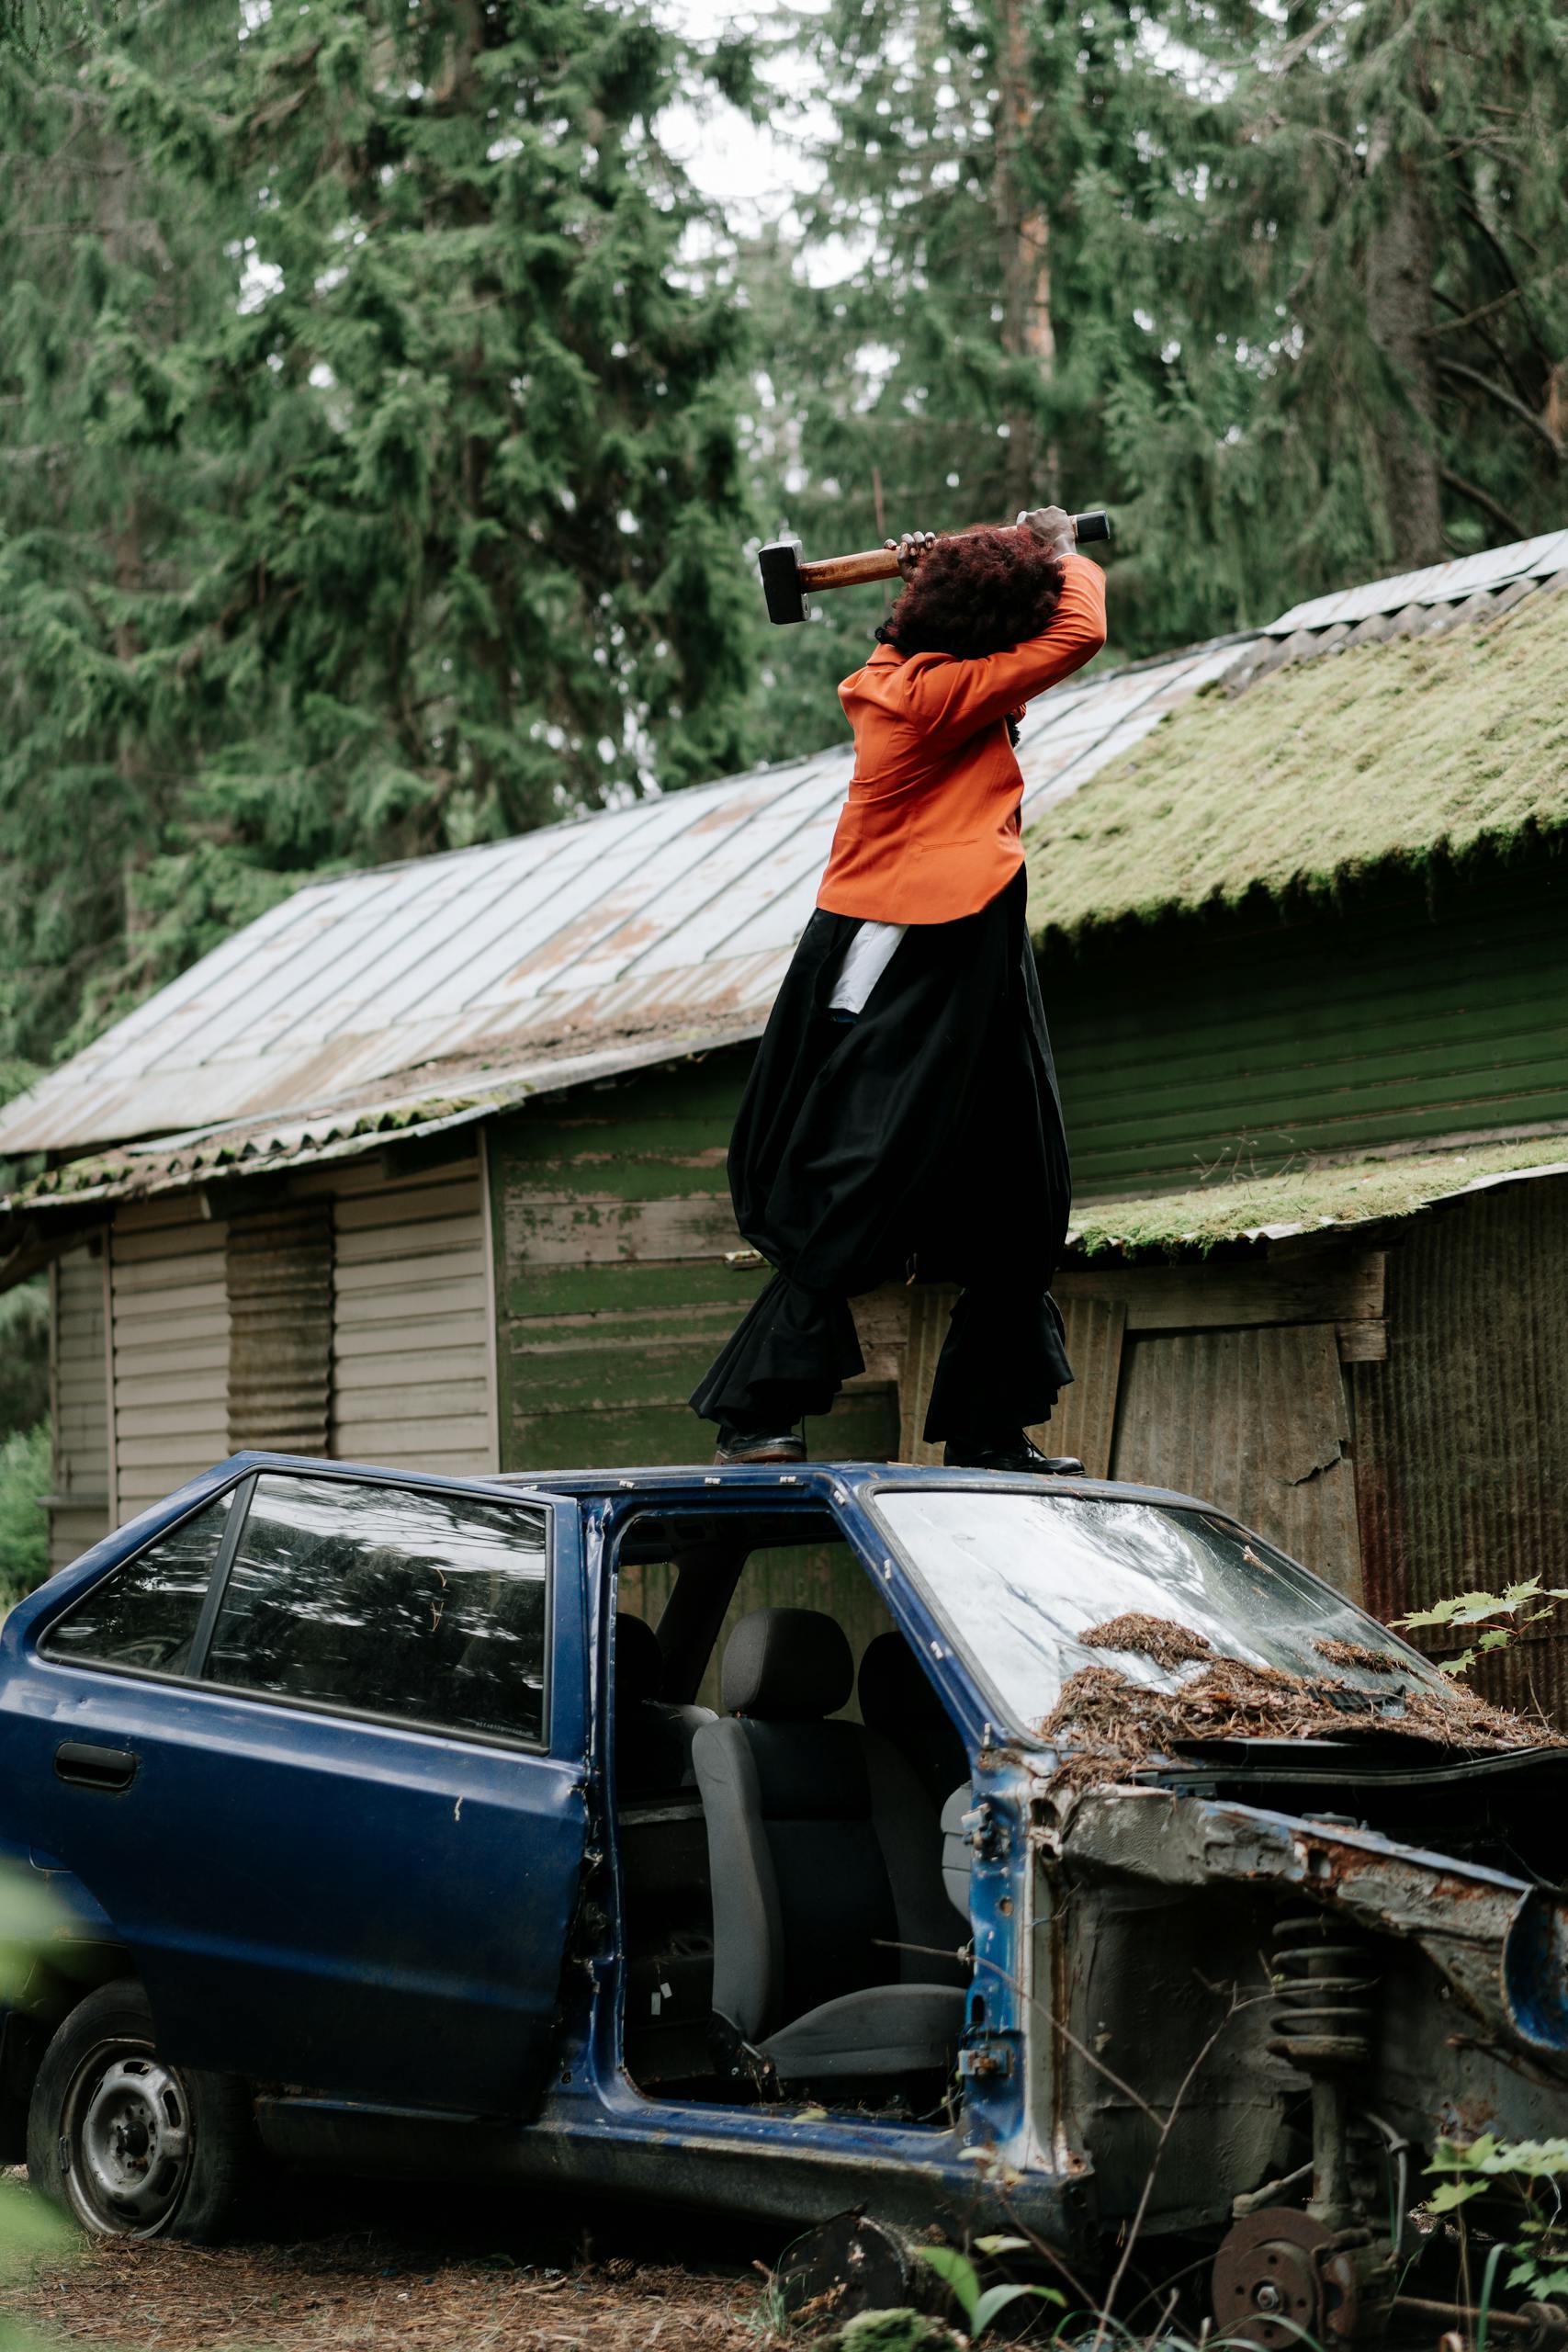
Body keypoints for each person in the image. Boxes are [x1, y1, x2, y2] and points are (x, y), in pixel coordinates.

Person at [690, 505, 1108, 1470]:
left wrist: (946, 571)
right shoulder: (917, 700)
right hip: (905, 940)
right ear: (983, 639)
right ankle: (756, 1412)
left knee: (1024, 1187)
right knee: (865, 1166)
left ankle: (990, 1428)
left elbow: (999, 668)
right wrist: (1060, 553)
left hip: (979, 935)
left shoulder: (925, 675)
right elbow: (1079, 630)